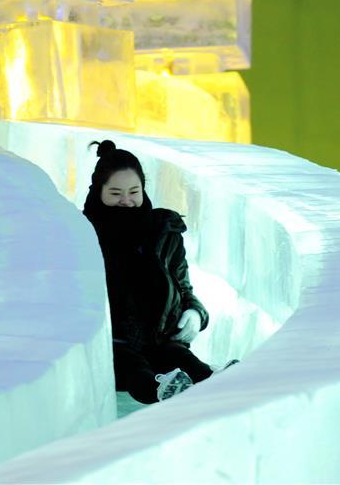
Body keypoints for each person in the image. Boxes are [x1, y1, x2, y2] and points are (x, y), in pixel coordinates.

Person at [83, 140, 231, 404]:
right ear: (98, 191)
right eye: (116, 193)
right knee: (135, 370)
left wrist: (195, 313)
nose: (126, 201)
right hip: (114, 344)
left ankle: (218, 382)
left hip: (162, 339)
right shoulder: (83, 233)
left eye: (134, 191)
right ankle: (161, 390)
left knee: (185, 361)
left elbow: (183, 286)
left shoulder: (163, 231)